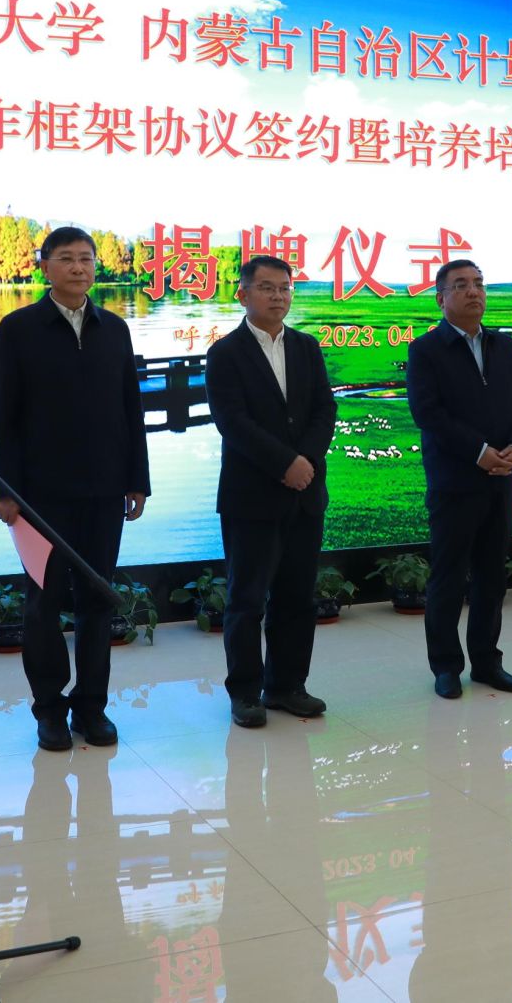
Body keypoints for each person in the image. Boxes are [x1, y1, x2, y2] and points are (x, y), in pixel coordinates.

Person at [0, 226, 150, 753]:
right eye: (66, 259)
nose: (79, 268)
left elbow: (131, 408)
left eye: (86, 259)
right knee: (43, 604)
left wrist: (137, 479)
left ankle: (92, 708)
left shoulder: (115, 329)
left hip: (104, 490)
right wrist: (6, 490)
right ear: (45, 267)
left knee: (97, 601)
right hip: (40, 497)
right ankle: (49, 711)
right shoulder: (18, 329)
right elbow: (4, 415)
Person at [206, 255, 337, 728]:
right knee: (247, 600)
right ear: (243, 294)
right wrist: (286, 464)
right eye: (267, 288)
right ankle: (245, 693)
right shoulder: (225, 353)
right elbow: (232, 422)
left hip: (305, 493)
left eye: (285, 288)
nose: (278, 296)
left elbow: (324, 410)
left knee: (297, 598)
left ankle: (287, 686)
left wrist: (306, 462)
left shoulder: (306, 346)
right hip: (252, 497)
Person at [406, 258, 512, 698]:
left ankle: (486, 662)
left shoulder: (505, 346)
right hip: (454, 482)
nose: (473, 291)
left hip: (501, 479)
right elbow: (428, 414)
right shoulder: (426, 350)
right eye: (460, 285)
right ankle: (445, 666)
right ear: (440, 299)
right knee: (448, 576)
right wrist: (479, 453)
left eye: (478, 283)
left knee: (491, 576)